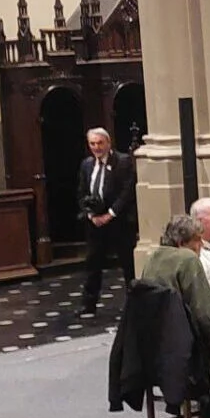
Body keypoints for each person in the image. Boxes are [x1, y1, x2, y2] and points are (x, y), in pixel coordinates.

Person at [140, 215, 210, 364]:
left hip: (154, 343)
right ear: (181, 243)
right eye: (197, 240)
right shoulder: (188, 259)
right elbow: (206, 316)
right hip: (186, 345)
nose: (202, 244)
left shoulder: (153, 258)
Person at [76, 127, 137, 317]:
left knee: (127, 263)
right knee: (93, 262)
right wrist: (90, 214)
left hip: (119, 221)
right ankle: (89, 304)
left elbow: (127, 192)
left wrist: (110, 214)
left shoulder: (123, 161)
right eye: (92, 144)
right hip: (95, 223)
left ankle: (134, 304)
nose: (96, 147)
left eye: (100, 143)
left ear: (108, 143)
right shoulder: (86, 164)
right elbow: (82, 191)